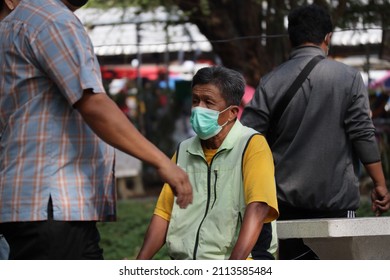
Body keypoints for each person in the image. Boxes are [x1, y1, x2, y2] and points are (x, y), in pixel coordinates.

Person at [0, 0, 192, 260]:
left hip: (29, 203)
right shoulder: (52, 19)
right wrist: (162, 162)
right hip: (52, 203)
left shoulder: (14, 23)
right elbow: (93, 103)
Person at [241, 4, 390, 260]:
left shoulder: (270, 81)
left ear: (291, 38)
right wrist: (380, 185)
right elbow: (362, 134)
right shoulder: (348, 78)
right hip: (336, 204)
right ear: (327, 37)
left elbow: (248, 139)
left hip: (282, 203)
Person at [137, 66, 279, 260]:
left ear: (232, 113)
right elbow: (164, 213)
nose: (198, 109)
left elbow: (259, 207)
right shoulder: (184, 150)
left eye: (208, 102)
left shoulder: (252, 145)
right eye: (195, 101)